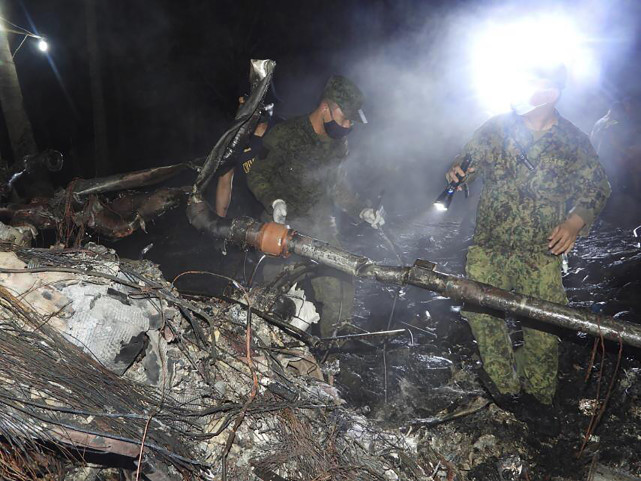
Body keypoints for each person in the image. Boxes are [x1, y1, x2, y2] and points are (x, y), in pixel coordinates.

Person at [445, 64, 611, 432]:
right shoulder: (497, 127)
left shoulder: (572, 140)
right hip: (490, 246)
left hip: (541, 252)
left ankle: (538, 400)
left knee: (544, 328)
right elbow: (466, 162)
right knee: (482, 316)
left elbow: (597, 188)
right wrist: (457, 170)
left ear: (550, 94)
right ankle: (506, 391)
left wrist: (574, 222)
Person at [247, 75, 384, 336]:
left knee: (342, 286)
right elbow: (257, 174)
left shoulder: (338, 144)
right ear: (325, 107)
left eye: (352, 120)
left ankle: (331, 357)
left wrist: (361, 209)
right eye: (345, 118)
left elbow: (338, 187)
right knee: (278, 301)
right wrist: (273, 200)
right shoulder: (285, 135)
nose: (348, 125)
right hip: (282, 227)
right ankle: (275, 354)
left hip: (320, 224)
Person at [214, 97, 277, 219]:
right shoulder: (235, 139)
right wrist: (219, 222)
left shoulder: (281, 128)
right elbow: (224, 182)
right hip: (251, 216)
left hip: (284, 208)